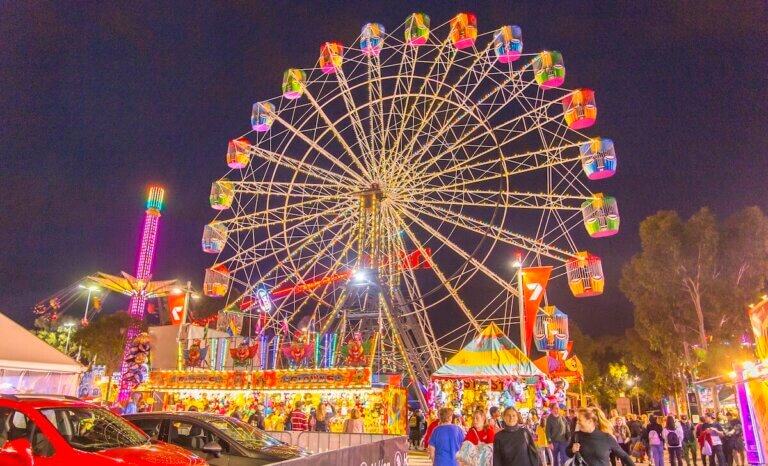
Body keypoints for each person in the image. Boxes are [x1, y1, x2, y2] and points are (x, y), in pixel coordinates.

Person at [568, 408, 636, 466]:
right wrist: (572, 450)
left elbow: (624, 456)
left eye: (579, 420)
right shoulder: (576, 436)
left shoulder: (606, 438)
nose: (577, 423)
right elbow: (568, 452)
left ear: (590, 421)